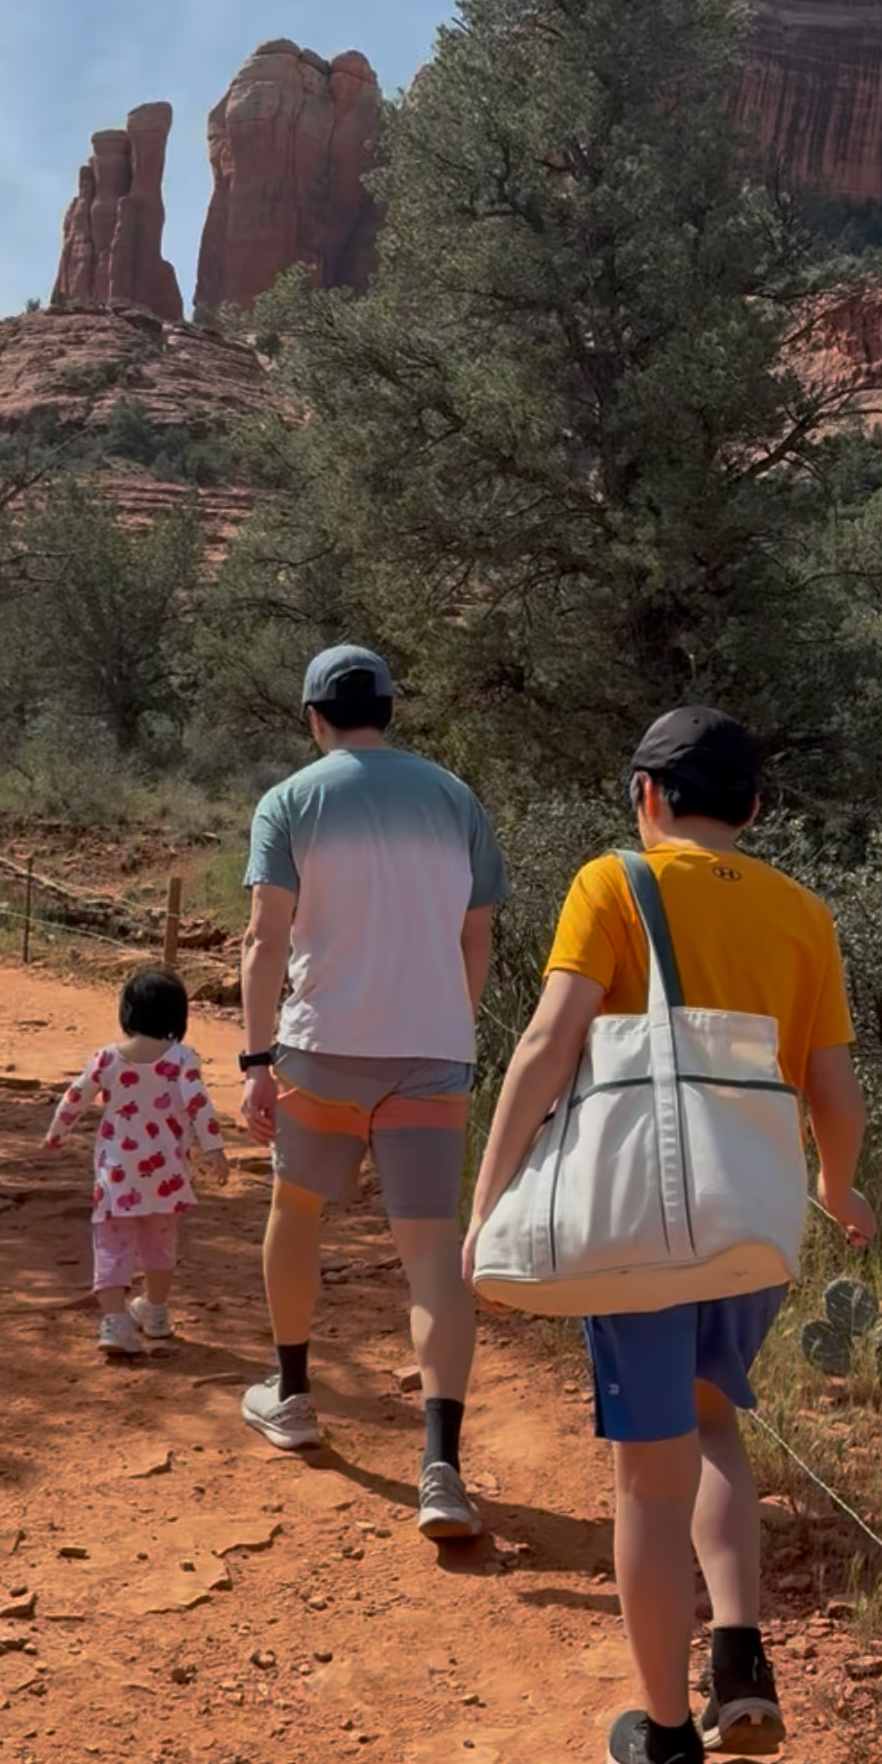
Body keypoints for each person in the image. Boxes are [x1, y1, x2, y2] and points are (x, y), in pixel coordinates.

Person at [464, 705, 874, 1764]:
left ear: (646, 795)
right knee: (715, 1423)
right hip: (751, 1223)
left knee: (648, 1477)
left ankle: (669, 1749)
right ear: (754, 809)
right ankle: (739, 1653)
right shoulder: (804, 913)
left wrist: (489, 1200)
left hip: (637, 1222)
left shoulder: (613, 883)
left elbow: (548, 1044)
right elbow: (836, 1092)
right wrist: (839, 1190)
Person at [237, 643, 508, 1540]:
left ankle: (292, 1395)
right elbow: (477, 936)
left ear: (313, 718)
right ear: (390, 710)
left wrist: (255, 1059)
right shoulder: (455, 798)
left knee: (297, 1213)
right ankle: (442, 1468)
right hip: (431, 1053)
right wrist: (448, 1023)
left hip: (323, 1049)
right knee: (431, 1252)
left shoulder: (290, 801)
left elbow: (264, 939)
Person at [42, 968, 228, 1358]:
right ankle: (155, 1311)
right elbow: (200, 1106)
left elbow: (75, 1097)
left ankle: (116, 1322)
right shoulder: (183, 1058)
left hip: (117, 1177)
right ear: (178, 1015)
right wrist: (214, 1150)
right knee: (160, 1244)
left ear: (128, 1011)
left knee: (111, 1245)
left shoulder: (107, 1058)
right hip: (167, 1177)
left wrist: (57, 1134)